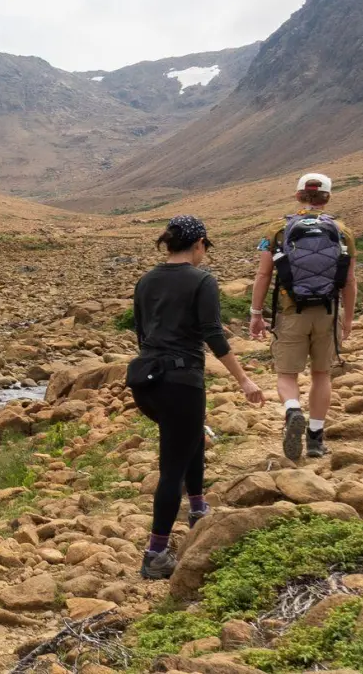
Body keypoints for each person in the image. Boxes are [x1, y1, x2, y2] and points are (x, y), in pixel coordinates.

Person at [129, 215, 264, 580]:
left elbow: (142, 334)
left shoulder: (146, 280)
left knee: (189, 438)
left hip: (146, 381)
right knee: (173, 466)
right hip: (181, 381)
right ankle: (155, 554)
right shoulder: (202, 280)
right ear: (199, 243)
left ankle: (198, 509)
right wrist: (245, 381)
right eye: (205, 247)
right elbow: (213, 336)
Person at [249, 173, 357, 462]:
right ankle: (315, 440)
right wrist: (347, 320)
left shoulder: (277, 229)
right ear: (327, 198)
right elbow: (349, 280)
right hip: (327, 311)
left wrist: (256, 314)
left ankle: (292, 409)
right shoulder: (342, 230)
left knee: (287, 375)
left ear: (298, 196)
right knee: (321, 375)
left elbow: (263, 274)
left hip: (290, 312)